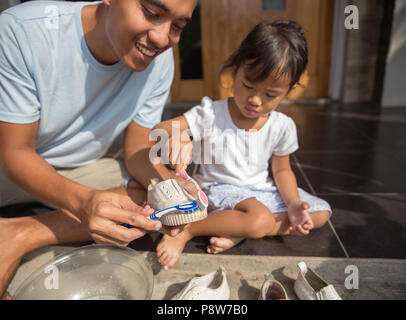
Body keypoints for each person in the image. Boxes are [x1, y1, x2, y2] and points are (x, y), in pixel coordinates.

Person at [0, 0, 198, 299]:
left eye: (178, 27)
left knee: (154, 198)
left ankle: (20, 233)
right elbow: (15, 151)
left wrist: (171, 183)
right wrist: (84, 202)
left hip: (76, 168)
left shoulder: (159, 62)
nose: (161, 38)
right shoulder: (24, 31)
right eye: (151, 13)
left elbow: (137, 147)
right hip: (8, 167)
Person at [152, 20, 332, 270]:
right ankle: (189, 230)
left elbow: (281, 171)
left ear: (288, 91)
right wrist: (179, 136)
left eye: (271, 95)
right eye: (248, 85)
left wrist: (292, 205)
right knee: (260, 219)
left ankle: (240, 230)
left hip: (259, 191)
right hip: (219, 188)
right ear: (235, 70)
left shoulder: (282, 125)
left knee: (320, 214)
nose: (255, 100)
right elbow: (160, 130)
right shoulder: (211, 113)